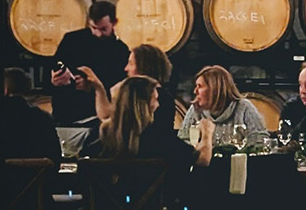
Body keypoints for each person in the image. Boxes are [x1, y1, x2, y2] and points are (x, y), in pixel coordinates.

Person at [84, 75, 213, 172]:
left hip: (103, 207)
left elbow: (83, 164)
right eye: (156, 100)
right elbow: (203, 160)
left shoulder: (99, 135)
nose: (158, 105)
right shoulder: (160, 139)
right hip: (152, 207)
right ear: (146, 105)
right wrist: (207, 133)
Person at [50, 0, 130, 125]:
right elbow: (54, 68)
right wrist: (55, 79)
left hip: (99, 116)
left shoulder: (120, 50)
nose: (98, 33)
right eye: (94, 28)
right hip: (66, 112)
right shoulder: (71, 40)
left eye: (103, 29)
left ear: (114, 23)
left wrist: (92, 85)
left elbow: (119, 87)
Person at [80, 41, 177, 132]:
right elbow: (107, 117)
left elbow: (111, 123)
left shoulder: (151, 96)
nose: (126, 68)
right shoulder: (161, 95)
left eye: (131, 63)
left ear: (144, 66)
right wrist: (99, 88)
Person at [179, 65, 266, 148]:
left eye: (200, 86)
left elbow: (259, 141)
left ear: (214, 89)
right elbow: (182, 141)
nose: (195, 91)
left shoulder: (243, 107)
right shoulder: (195, 110)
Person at [0, 68, 60, 161]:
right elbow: (55, 156)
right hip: (39, 174)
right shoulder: (43, 117)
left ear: (5, 89)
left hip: (4, 174)